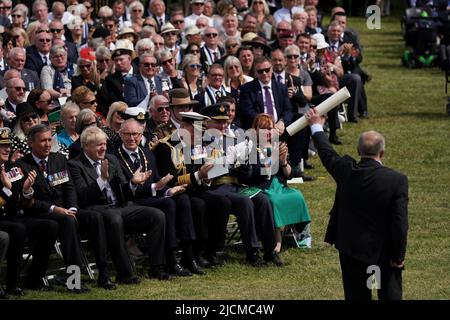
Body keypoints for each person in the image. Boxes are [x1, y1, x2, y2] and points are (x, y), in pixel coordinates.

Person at [305, 108, 408, 300]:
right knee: (388, 293)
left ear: (359, 151)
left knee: (357, 296)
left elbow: (327, 154)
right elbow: (400, 223)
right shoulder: (396, 180)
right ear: (382, 152)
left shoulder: (346, 171)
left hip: (352, 249)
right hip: (382, 252)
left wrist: (316, 126)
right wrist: (398, 256)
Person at [67, 125, 170, 281]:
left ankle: (157, 267)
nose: (103, 148)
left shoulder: (111, 159)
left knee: (157, 215)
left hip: (120, 207)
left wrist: (133, 183)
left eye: (105, 144)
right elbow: (84, 197)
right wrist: (101, 180)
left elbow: (123, 191)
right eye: (98, 145)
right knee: (114, 218)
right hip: (97, 210)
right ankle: (125, 273)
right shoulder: (75, 165)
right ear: (86, 146)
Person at [0, 127, 57, 295]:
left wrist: (26, 191)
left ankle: (34, 278)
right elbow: (9, 197)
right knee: (18, 230)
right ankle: (12, 284)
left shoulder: (13, 168)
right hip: (3, 219)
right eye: (2, 146)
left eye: (8, 145)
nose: (7, 149)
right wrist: (8, 189)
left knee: (50, 226)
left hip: (15, 215)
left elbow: (22, 202)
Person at [248, 113, 311, 254]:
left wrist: (283, 161)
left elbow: (289, 175)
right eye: (263, 129)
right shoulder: (251, 147)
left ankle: (297, 233)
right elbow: (257, 172)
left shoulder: (277, 145)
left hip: (279, 185)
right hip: (261, 186)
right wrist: (273, 157)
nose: (268, 132)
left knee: (297, 195)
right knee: (275, 201)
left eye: (270, 128)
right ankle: (277, 241)